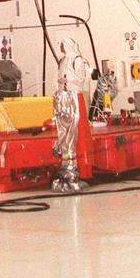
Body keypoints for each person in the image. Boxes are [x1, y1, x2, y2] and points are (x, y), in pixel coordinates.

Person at [52, 37, 88, 191]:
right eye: (62, 44)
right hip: (62, 98)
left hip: (74, 98)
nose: (63, 46)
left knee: (74, 132)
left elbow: (81, 79)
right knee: (63, 132)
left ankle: (74, 166)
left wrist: (68, 80)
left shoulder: (78, 60)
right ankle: (65, 163)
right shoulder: (62, 60)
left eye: (65, 44)